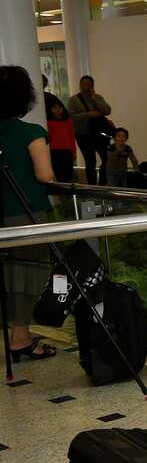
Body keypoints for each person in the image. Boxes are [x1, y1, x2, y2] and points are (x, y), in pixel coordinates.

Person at [0, 66, 57, 361]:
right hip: (25, 215)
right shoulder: (31, 133)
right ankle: (20, 337)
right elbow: (45, 175)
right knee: (25, 273)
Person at [67, 75, 111, 186]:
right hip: (83, 134)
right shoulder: (74, 99)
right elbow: (71, 116)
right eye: (84, 83)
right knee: (90, 161)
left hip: (100, 134)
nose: (86, 86)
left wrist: (94, 98)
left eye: (89, 83)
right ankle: (92, 186)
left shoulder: (98, 97)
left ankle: (102, 183)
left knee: (106, 158)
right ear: (80, 85)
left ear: (92, 85)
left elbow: (107, 110)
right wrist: (89, 115)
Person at [45, 96, 76, 184]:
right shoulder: (48, 122)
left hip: (67, 151)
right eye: (54, 108)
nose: (58, 110)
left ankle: (67, 195)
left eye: (60, 107)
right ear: (50, 109)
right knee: (58, 175)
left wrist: (73, 152)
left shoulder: (68, 121)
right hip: (55, 151)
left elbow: (71, 137)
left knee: (68, 175)